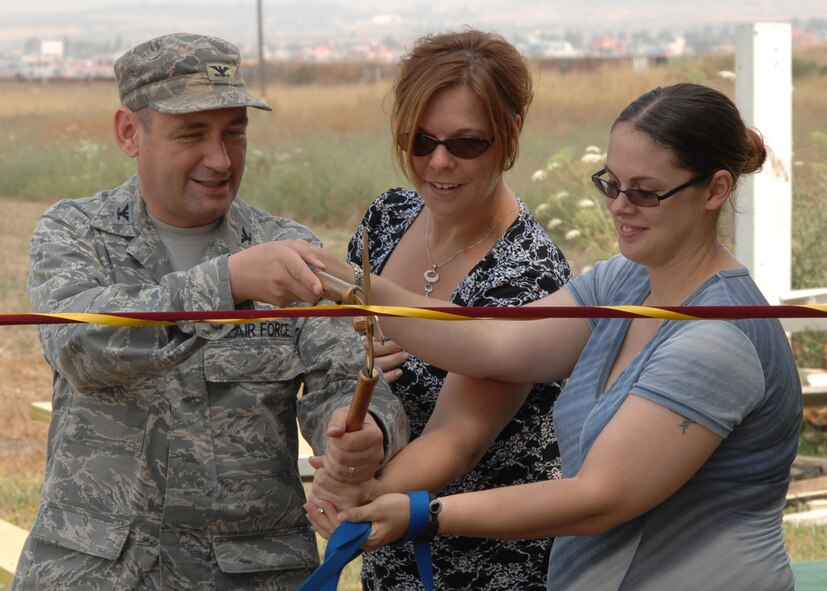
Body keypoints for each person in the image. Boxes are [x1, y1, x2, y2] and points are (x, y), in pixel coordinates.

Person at [302, 83, 803, 590]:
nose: (620, 207)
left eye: (646, 192)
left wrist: (423, 514)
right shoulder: (623, 282)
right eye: (611, 184)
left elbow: (599, 498)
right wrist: (340, 280)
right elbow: (495, 345)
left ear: (715, 190)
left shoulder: (714, 338)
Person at [12, 32, 408, 591]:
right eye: (192, 134)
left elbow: (346, 379)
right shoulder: (75, 233)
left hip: (250, 575)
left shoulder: (288, 247)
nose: (220, 159)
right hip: (92, 572)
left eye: (235, 133)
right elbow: (81, 346)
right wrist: (228, 282)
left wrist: (363, 429)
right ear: (130, 132)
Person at [307, 29, 571, 591]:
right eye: (420, 141)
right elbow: (335, 360)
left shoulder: (527, 271)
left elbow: (461, 434)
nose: (438, 162)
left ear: (510, 134)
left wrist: (362, 496)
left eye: (466, 143)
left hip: (494, 563)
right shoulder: (387, 218)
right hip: (392, 556)